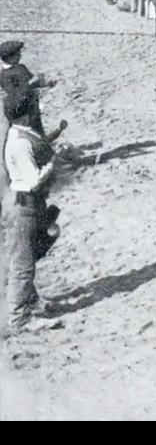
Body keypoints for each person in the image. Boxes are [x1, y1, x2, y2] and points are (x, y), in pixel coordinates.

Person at [4, 113, 58, 331]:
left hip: (28, 204)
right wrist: (53, 163)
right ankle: (19, 318)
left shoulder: (19, 134)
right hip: (23, 204)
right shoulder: (20, 142)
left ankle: (30, 300)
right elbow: (34, 181)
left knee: (32, 253)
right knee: (23, 264)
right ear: (26, 115)